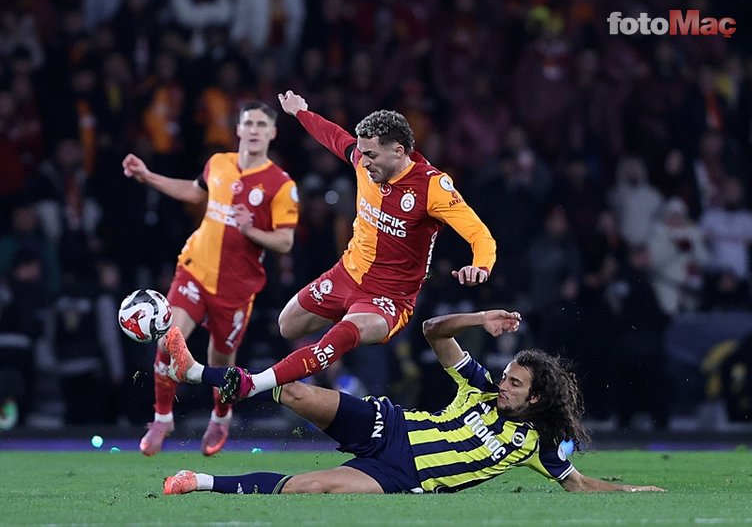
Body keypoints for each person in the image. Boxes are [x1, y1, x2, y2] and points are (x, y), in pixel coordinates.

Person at [198, 89, 496, 403]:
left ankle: (254, 383)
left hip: (389, 297)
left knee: (339, 336)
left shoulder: (433, 186)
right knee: (287, 325)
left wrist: (481, 266)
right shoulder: (363, 161)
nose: (363, 162)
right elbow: (334, 137)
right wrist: (300, 112)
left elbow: (480, 235)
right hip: (346, 275)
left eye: (372, 155)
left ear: (398, 151)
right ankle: (344, 333)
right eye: (362, 153)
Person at [160, 310, 665, 495]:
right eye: (506, 376)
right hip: (388, 424)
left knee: (312, 487)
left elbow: (579, 485)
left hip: (402, 475)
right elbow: (432, 331)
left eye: (514, 383)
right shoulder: (479, 385)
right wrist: (480, 318)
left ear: (535, 397)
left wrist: (637, 491)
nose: (503, 385)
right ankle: (195, 371)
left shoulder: (537, 444)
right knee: (292, 389)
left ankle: (197, 482)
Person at [122, 100, 299, 456]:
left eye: (261, 125)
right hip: (194, 269)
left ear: (272, 133)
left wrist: (251, 230)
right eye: (248, 123)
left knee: (219, 362)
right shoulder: (218, 163)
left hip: (235, 287)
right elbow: (195, 191)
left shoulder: (281, 184)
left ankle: (221, 416)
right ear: (238, 129)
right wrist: (148, 176)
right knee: (167, 340)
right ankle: (162, 418)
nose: (254, 130)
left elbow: (285, 241)